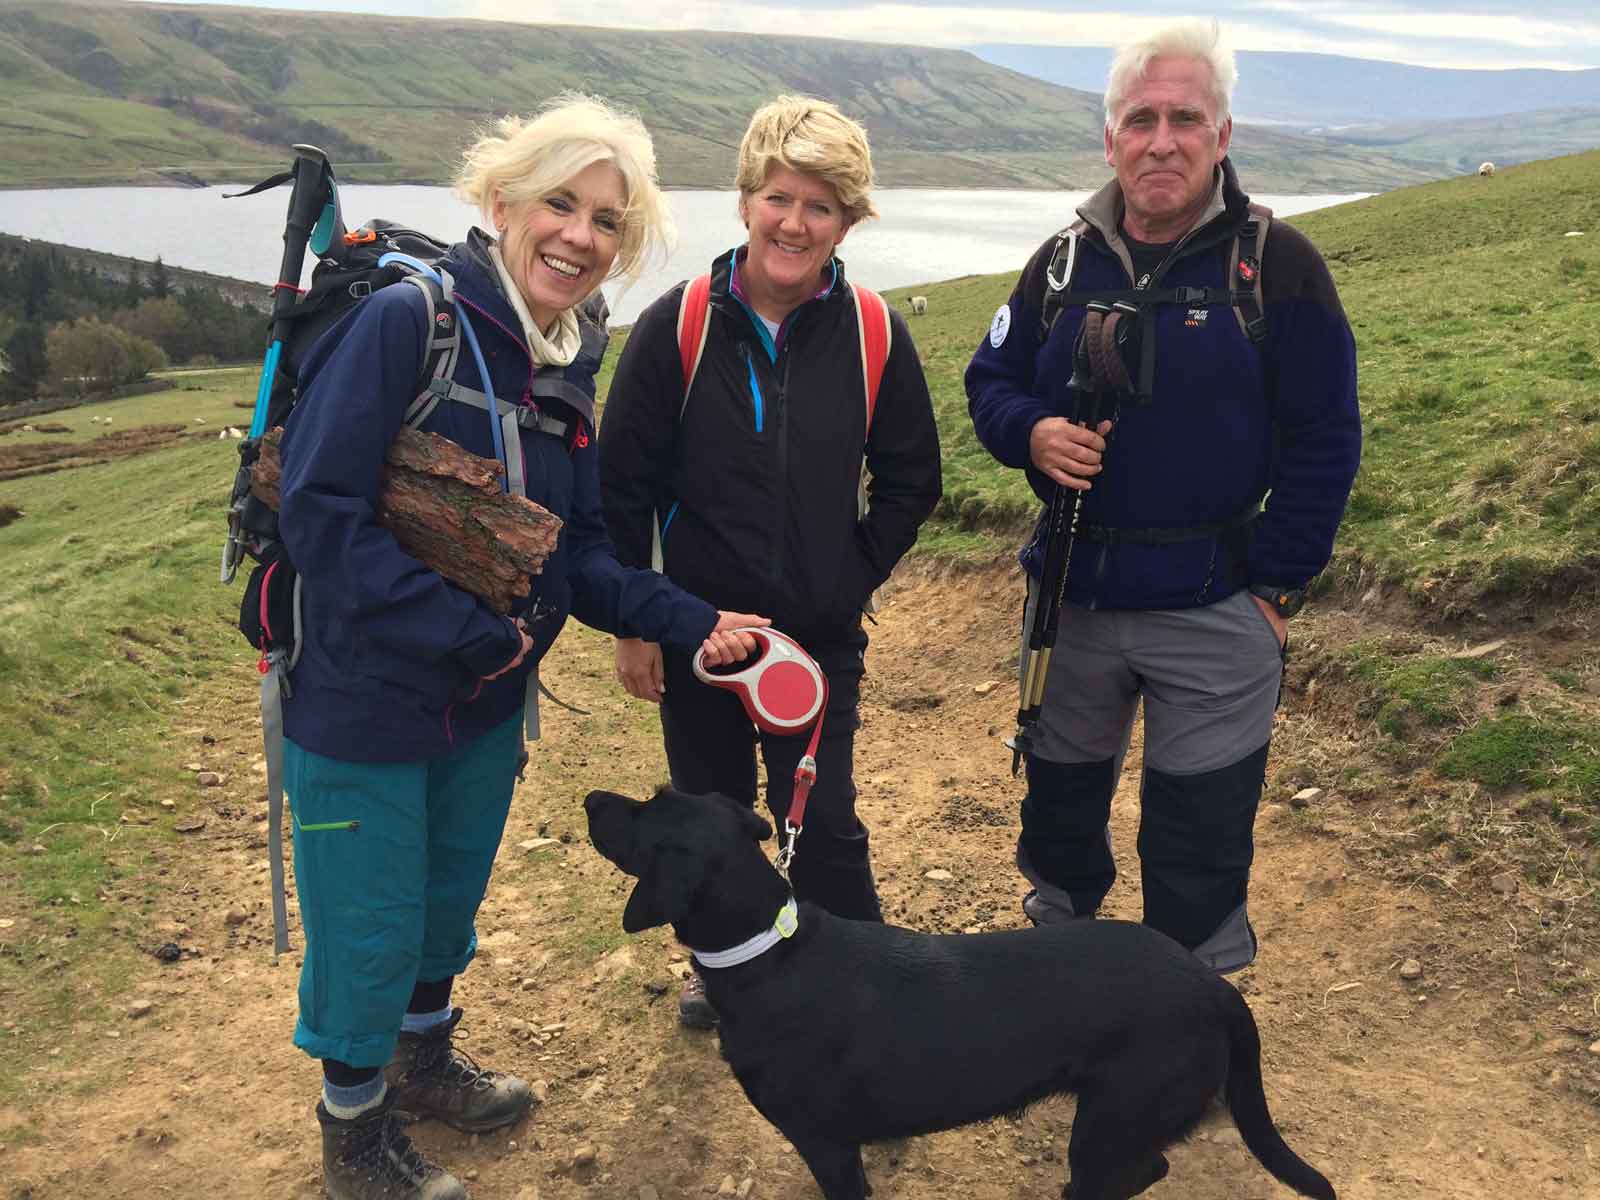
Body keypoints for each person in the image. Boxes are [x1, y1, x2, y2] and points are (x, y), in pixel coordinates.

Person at [274, 95, 766, 1200]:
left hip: (481, 703)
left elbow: (576, 553)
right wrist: (468, 634)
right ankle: (352, 1138)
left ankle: (424, 1059)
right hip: (362, 701)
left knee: (444, 901)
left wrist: (692, 621)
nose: (579, 237)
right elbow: (320, 513)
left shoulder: (562, 360)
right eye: (560, 203)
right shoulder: (409, 322)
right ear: (501, 200)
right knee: (369, 925)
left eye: (607, 220)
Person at [964, 21, 1360, 974]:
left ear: (1222, 137)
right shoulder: (1062, 263)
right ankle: (1060, 987)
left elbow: (1325, 436)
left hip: (1216, 604)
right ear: (1110, 139)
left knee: (1198, 832)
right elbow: (990, 379)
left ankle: (1193, 1018)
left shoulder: (1279, 267)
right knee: (1059, 812)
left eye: (1187, 118)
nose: (1162, 139)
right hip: (1072, 598)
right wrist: (1030, 431)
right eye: (1140, 118)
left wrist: (1272, 590)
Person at [598, 96, 942, 1028]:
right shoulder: (679, 329)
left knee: (823, 825)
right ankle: (723, 971)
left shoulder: (874, 332)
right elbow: (620, 490)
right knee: (710, 822)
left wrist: (847, 580)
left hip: (817, 643)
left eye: (822, 205)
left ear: (848, 220)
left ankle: (870, 992)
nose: (796, 222)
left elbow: (914, 479)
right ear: (746, 200)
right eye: (779, 197)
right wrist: (641, 623)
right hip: (696, 639)